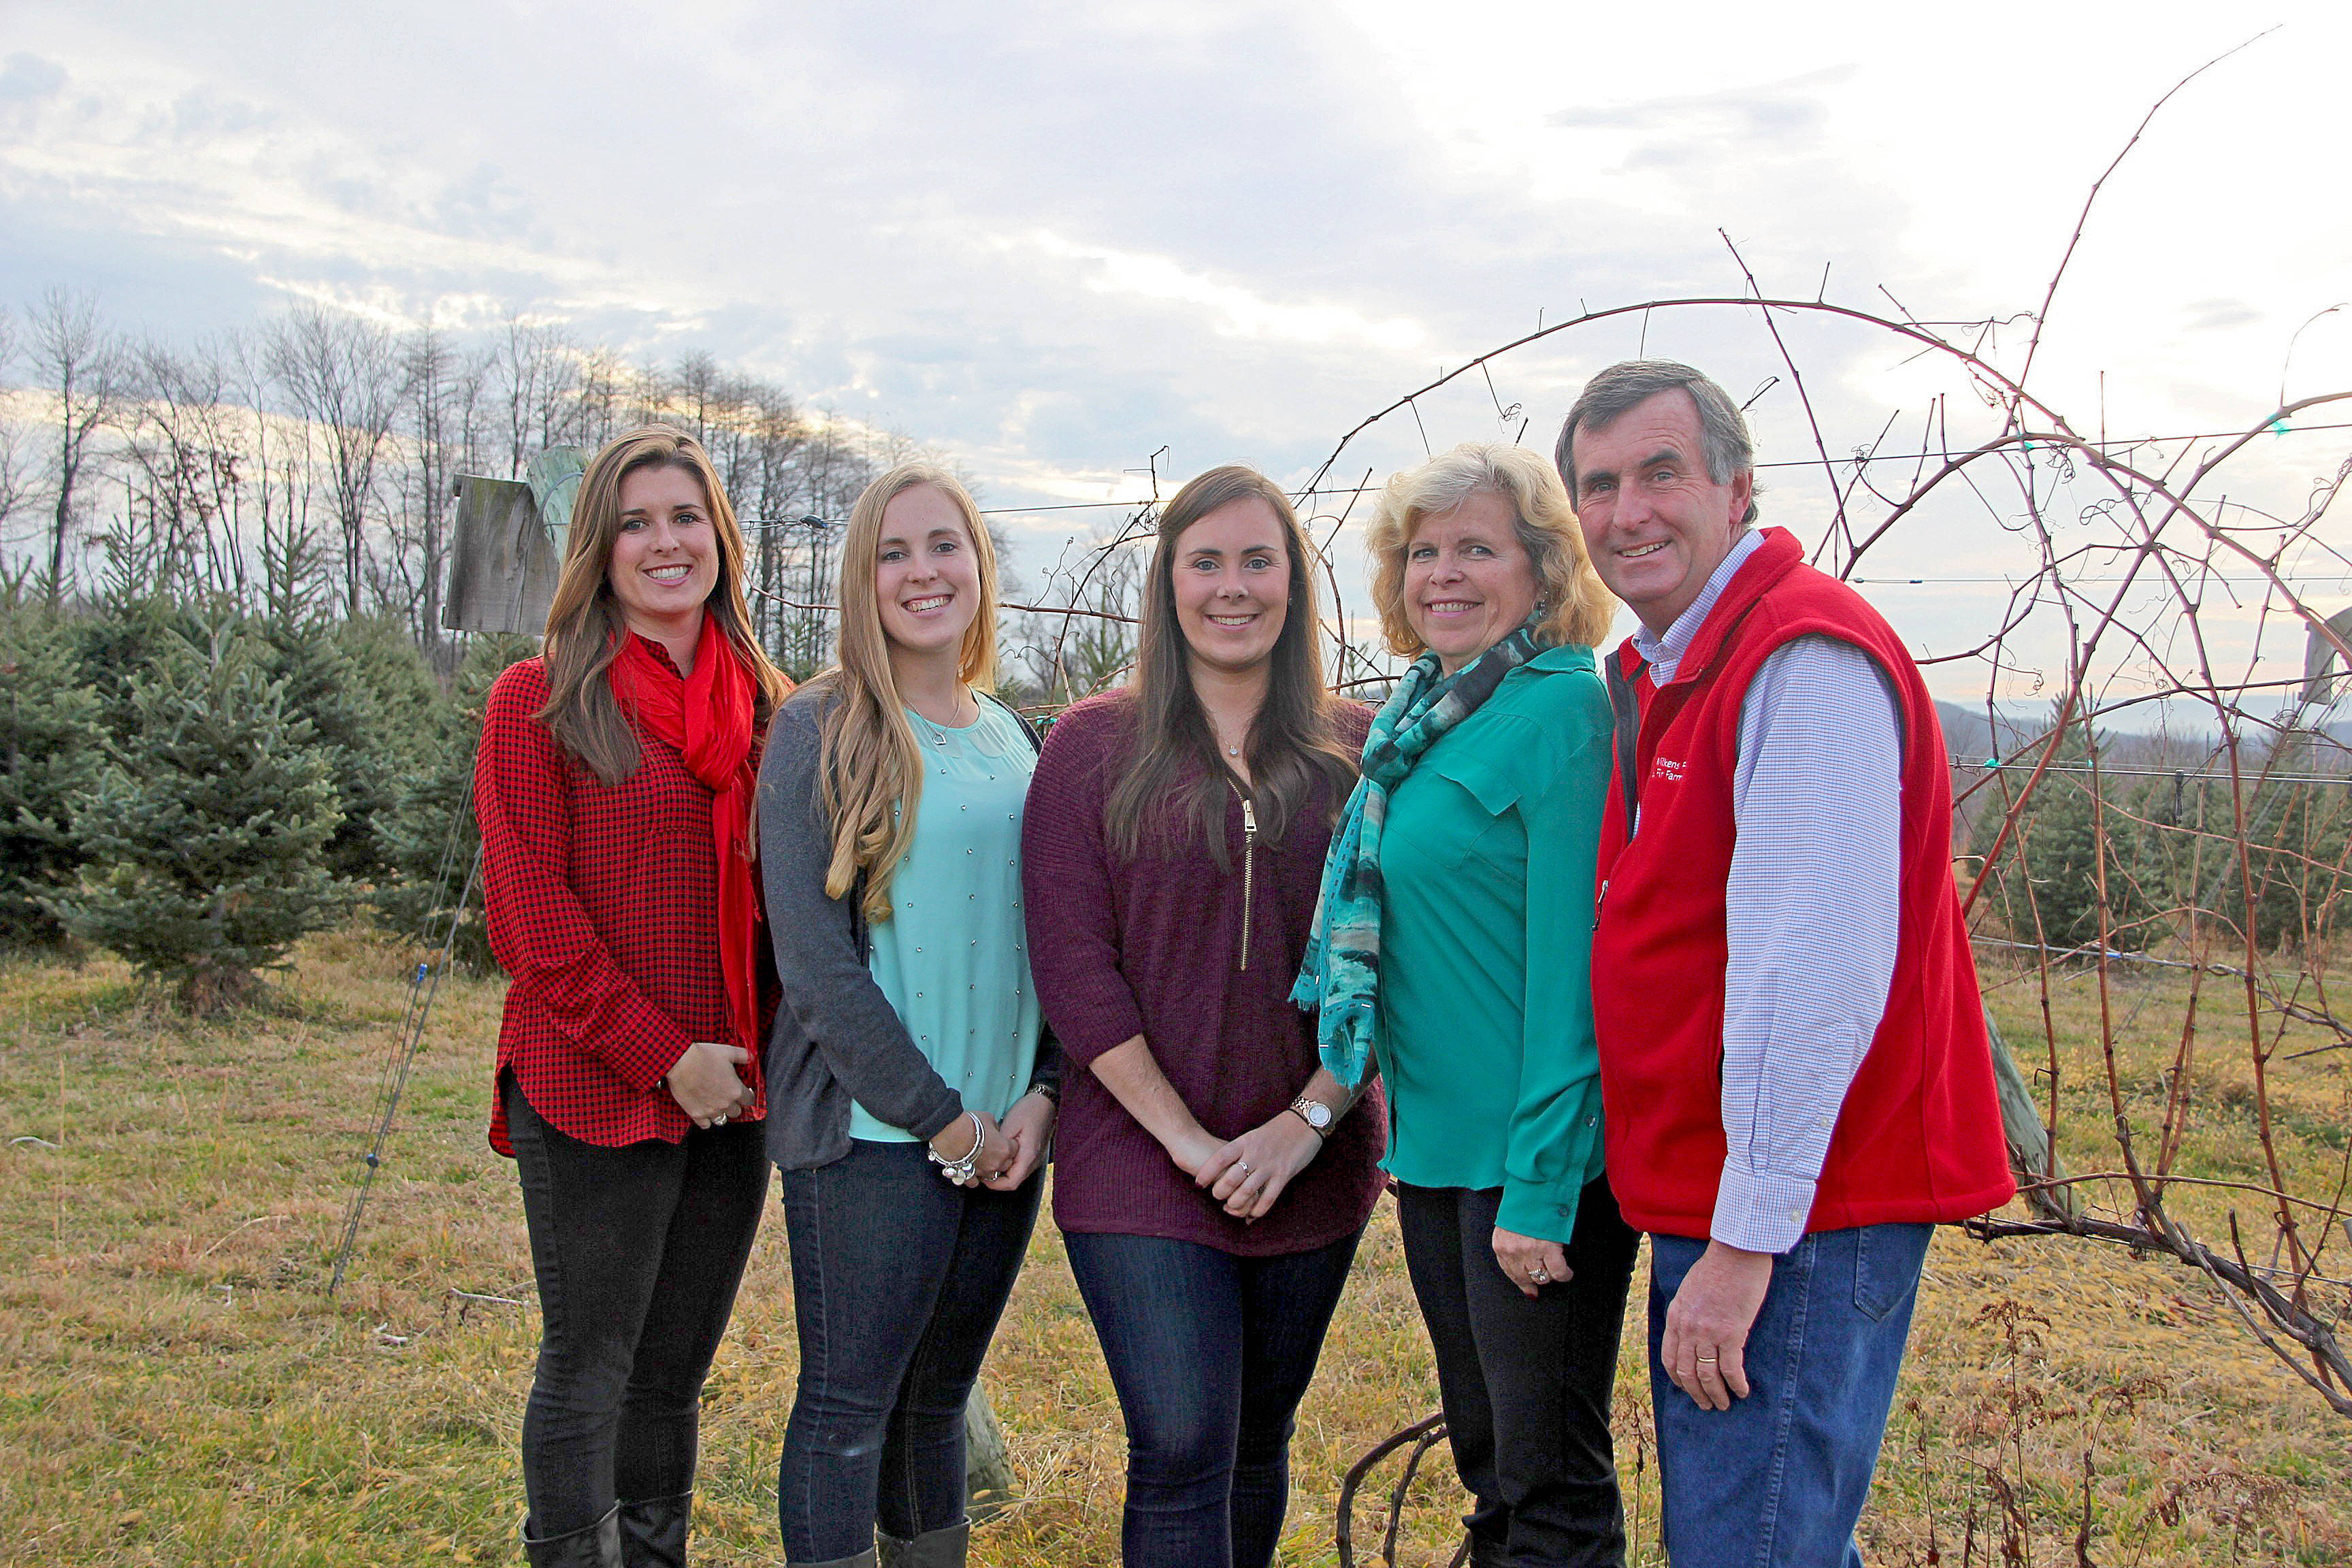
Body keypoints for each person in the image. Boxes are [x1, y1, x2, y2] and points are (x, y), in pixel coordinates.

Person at [1557, 361, 2015, 1566]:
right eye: (1599, 486)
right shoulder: (1676, 665)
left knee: (1747, 1547)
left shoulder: (1801, 661)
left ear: (1738, 486)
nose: (1629, 511)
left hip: (1802, 1205)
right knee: (1773, 1536)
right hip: (1740, 1195)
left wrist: (1747, 1242)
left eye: (1662, 473)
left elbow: (1812, 975)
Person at [1022, 465, 1386, 1568]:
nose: (1233, 588)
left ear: (1295, 584)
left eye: (1257, 561)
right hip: (1137, 1154)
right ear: (1167, 583)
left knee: (1256, 1441)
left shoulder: (1358, 751)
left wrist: (1308, 1121)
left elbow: (1385, 963)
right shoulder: (1092, 745)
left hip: (1312, 1159)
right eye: (1206, 562)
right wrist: (1184, 1139)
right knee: (1182, 1437)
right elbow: (1074, 965)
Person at [1295, 442, 1635, 1567]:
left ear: (1543, 569)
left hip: (1532, 1162)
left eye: (1477, 549)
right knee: (1494, 1467)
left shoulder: (1560, 716)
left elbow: (1574, 979)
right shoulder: (1421, 719)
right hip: (1435, 1151)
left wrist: (1539, 1191)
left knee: (1549, 1487)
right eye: (1424, 551)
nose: (1443, 573)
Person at [476, 425, 792, 1567]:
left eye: (686, 517)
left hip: (734, 1097)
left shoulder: (769, 710)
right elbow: (534, 926)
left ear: (721, 538)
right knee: (591, 1365)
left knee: (672, 1375)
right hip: (592, 1080)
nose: (666, 543)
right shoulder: (541, 702)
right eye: (636, 522)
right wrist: (667, 1053)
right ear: (599, 550)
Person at [758, 463, 1060, 1568]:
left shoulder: (1014, 739)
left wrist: (1041, 1098)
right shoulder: (819, 728)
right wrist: (943, 1122)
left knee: (938, 1406)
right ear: (861, 578)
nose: (923, 572)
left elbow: (1055, 942)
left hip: (1004, 1140)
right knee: (847, 1417)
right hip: (882, 1142)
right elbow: (817, 969)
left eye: (945, 546)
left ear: (980, 566)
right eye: (894, 552)